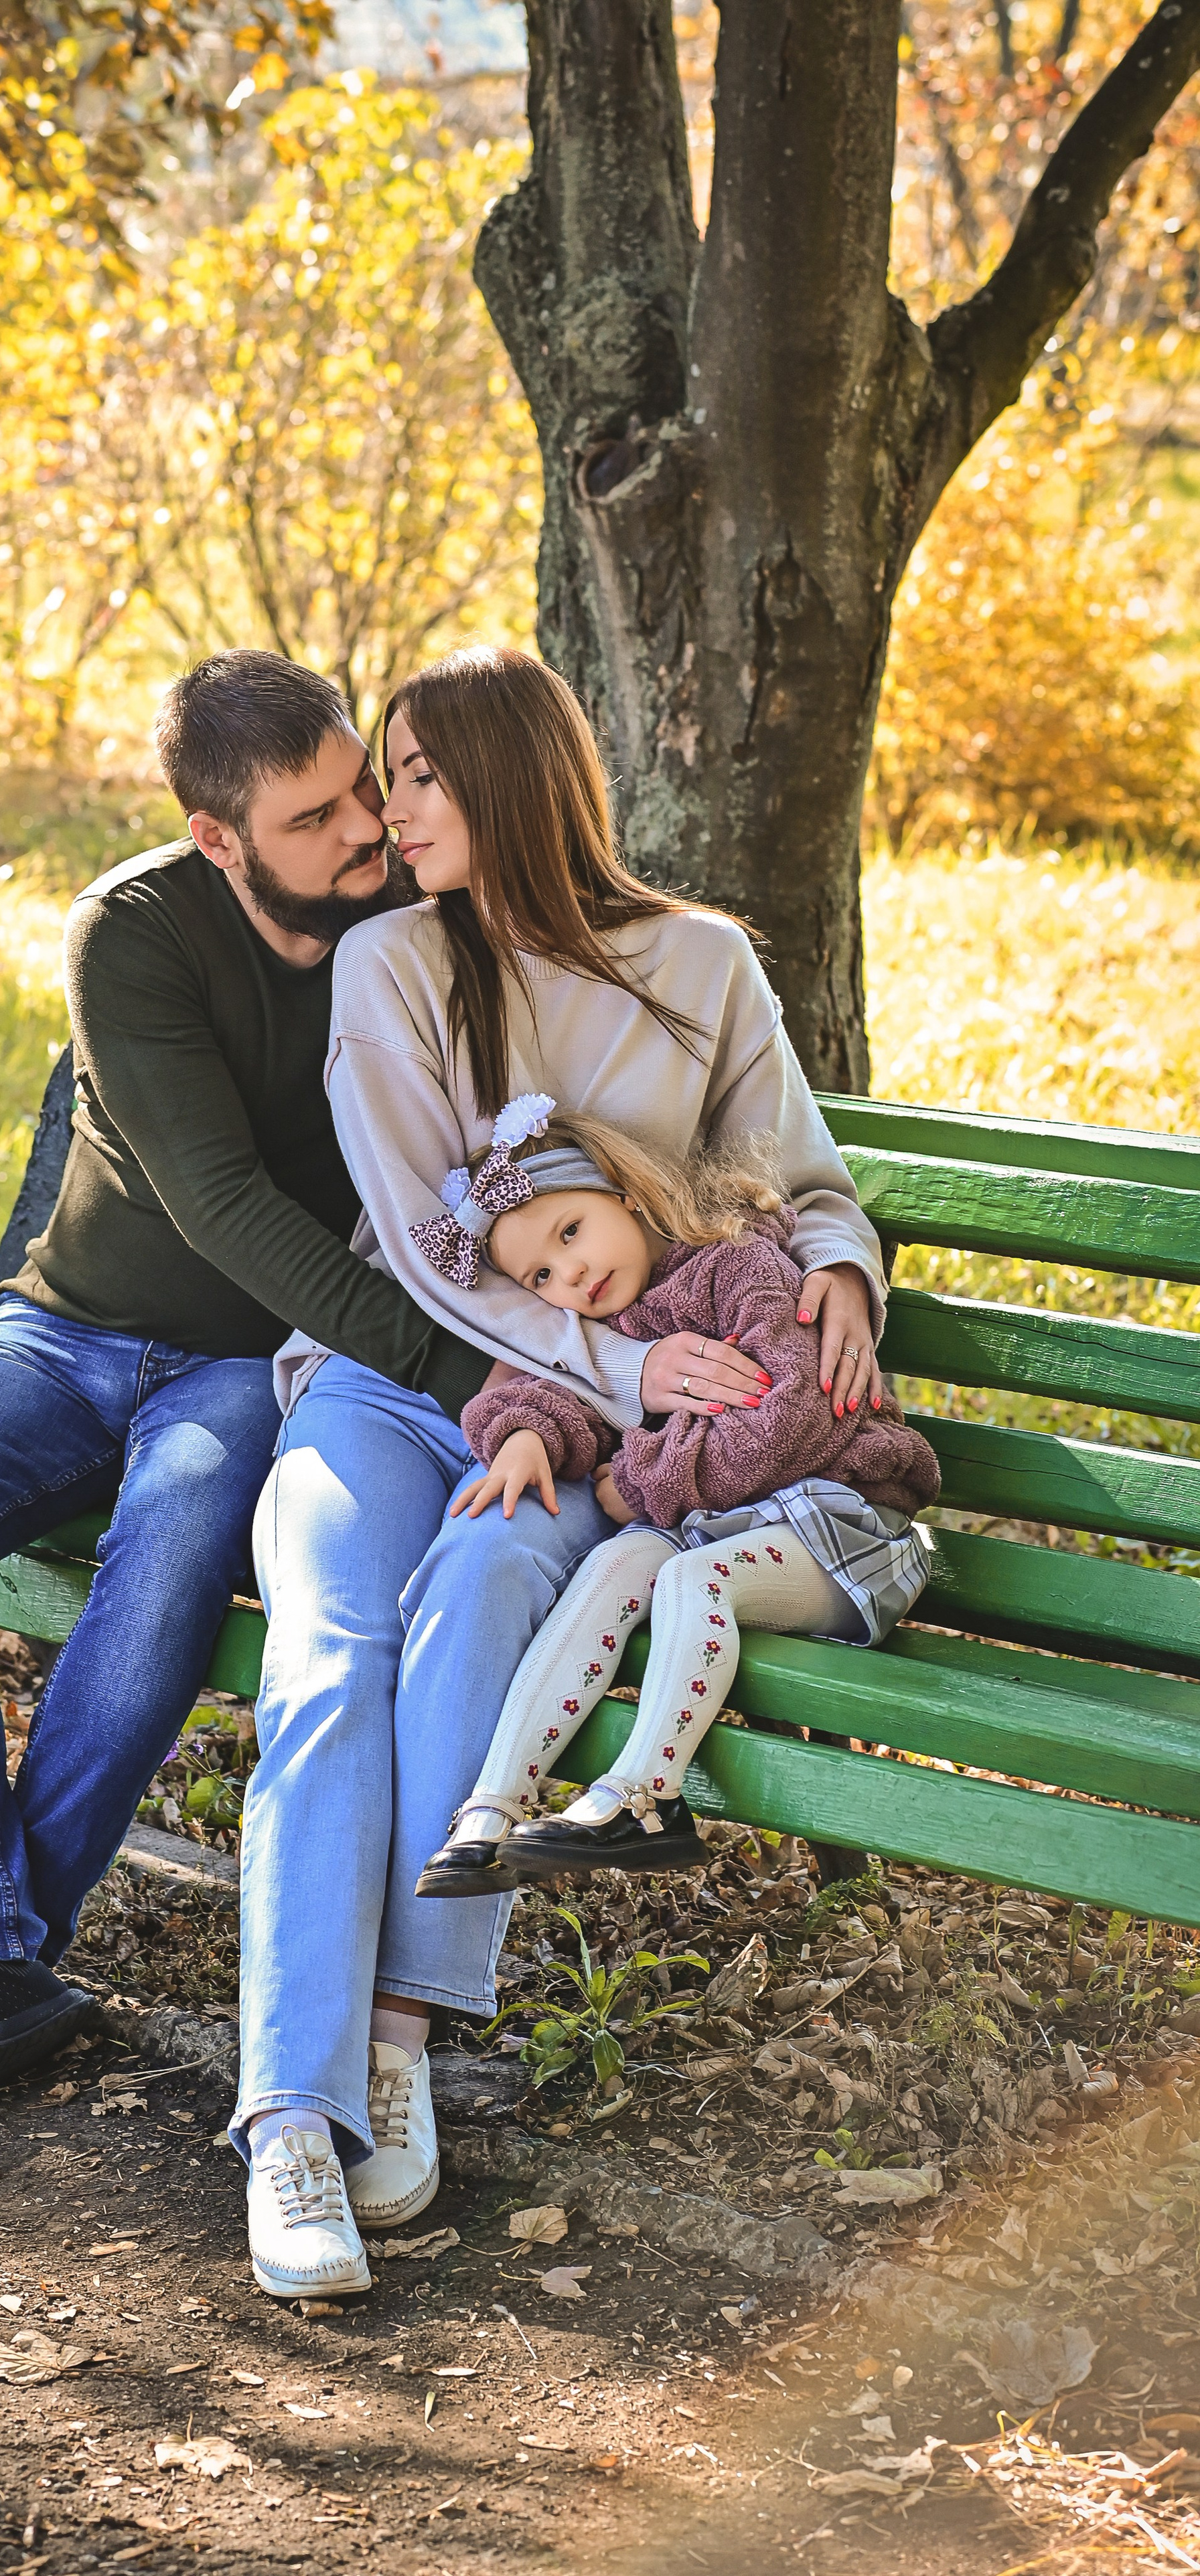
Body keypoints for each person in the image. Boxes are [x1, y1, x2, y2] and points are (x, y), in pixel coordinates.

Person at [232, 643, 891, 2303]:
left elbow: (795, 1171)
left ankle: (394, 2041)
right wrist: (625, 1357)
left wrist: (833, 1272)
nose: (390, 808)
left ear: (513, 780)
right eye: (384, 777)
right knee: (329, 1657)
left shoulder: (703, 961)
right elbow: (419, 1258)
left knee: (478, 1591)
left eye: (421, 775)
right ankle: (289, 2122)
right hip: (402, 1393)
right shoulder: (388, 964)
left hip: (604, 1432)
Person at [0, 651, 493, 2113]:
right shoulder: (131, 929)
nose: (359, 836)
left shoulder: (411, 917)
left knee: (178, 1548)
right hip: (67, 1328)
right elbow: (223, 1207)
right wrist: (457, 1372)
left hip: (254, 1361)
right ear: (216, 835)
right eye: (310, 820)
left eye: (358, 795)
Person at [406, 1101, 938, 1897]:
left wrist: (644, 1479)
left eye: (570, 1231)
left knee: (690, 1579)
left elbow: (787, 1420)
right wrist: (526, 1433)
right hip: (732, 1528)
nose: (571, 1275)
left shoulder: (735, 1264)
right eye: (541, 1277)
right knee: (618, 1561)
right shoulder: (613, 1323)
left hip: (845, 1524)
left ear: (623, 1192)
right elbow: (572, 1396)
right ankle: (489, 1812)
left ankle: (646, 1800)